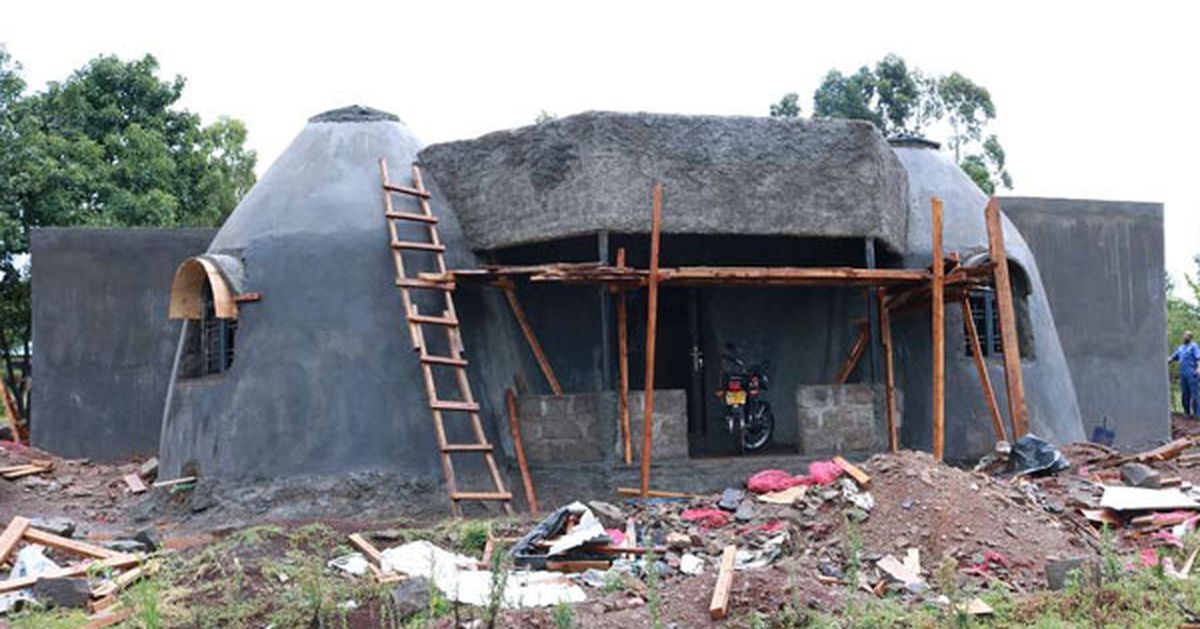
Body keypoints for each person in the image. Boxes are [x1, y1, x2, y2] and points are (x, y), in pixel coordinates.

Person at [1169, 331, 1200, 417]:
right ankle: (1187, 413)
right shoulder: (1181, 348)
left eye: (1186, 335)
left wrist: (1198, 369)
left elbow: (1198, 359)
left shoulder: (1194, 346)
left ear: (1190, 337)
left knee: (1195, 395)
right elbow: (1172, 358)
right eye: (1184, 335)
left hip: (1192, 374)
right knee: (1185, 395)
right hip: (1183, 375)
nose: (1184, 337)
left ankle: (1197, 414)